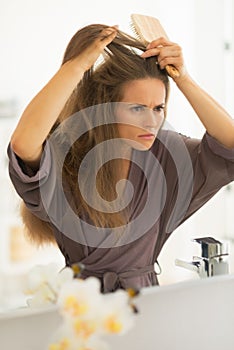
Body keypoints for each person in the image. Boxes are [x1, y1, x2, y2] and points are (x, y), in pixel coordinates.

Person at [8, 23, 234, 293]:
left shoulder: (167, 155)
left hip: (144, 305)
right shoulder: (68, 158)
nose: (152, 121)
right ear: (107, 108)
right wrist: (75, 67)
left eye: (158, 108)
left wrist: (183, 77)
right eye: (137, 108)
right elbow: (23, 144)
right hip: (82, 308)